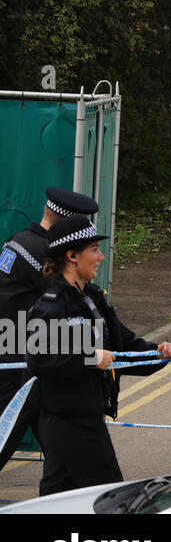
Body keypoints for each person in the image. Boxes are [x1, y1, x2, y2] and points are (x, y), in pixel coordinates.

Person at [24, 215, 171, 495]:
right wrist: (90, 358)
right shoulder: (50, 307)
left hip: (82, 417)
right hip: (69, 422)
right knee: (112, 499)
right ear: (71, 255)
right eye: (93, 249)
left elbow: (121, 344)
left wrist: (157, 354)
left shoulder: (94, 298)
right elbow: (39, 358)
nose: (101, 257)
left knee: (58, 499)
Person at [0, 188, 99, 470]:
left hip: (16, 348)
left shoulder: (18, 241)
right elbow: (76, 297)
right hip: (21, 355)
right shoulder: (45, 255)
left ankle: (71, 480)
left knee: (51, 432)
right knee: (10, 427)